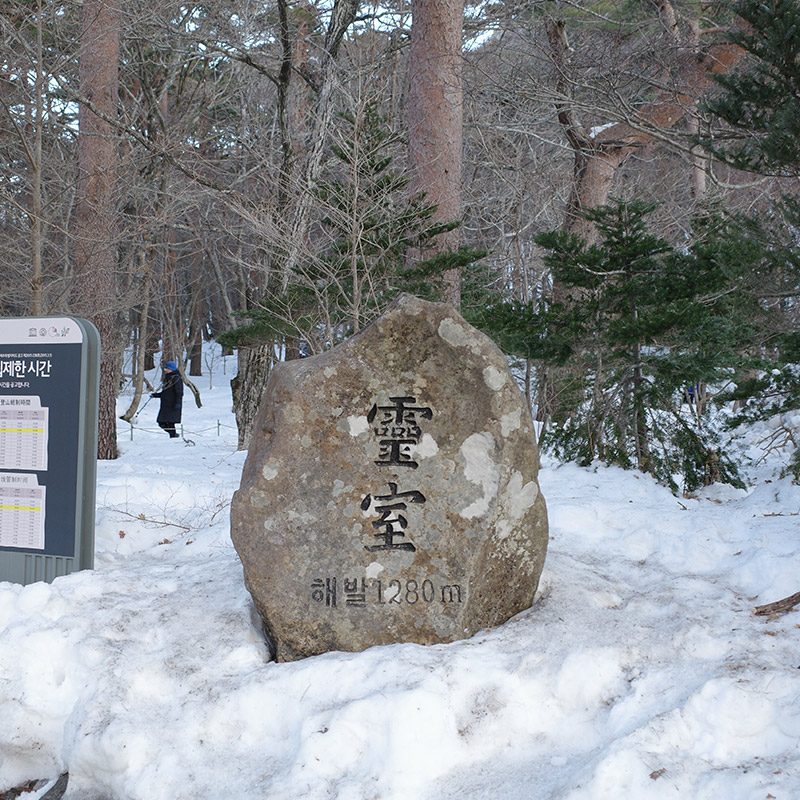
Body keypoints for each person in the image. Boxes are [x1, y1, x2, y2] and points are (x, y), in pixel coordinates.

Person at [151, 360, 183, 438]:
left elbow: (179, 392)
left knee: (170, 422)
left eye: (167, 369)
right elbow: (166, 393)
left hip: (173, 404)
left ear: (171, 369)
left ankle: (173, 436)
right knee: (161, 422)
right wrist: (156, 395)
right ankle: (173, 435)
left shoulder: (177, 378)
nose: (165, 370)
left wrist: (178, 403)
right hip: (165, 404)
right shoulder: (168, 378)